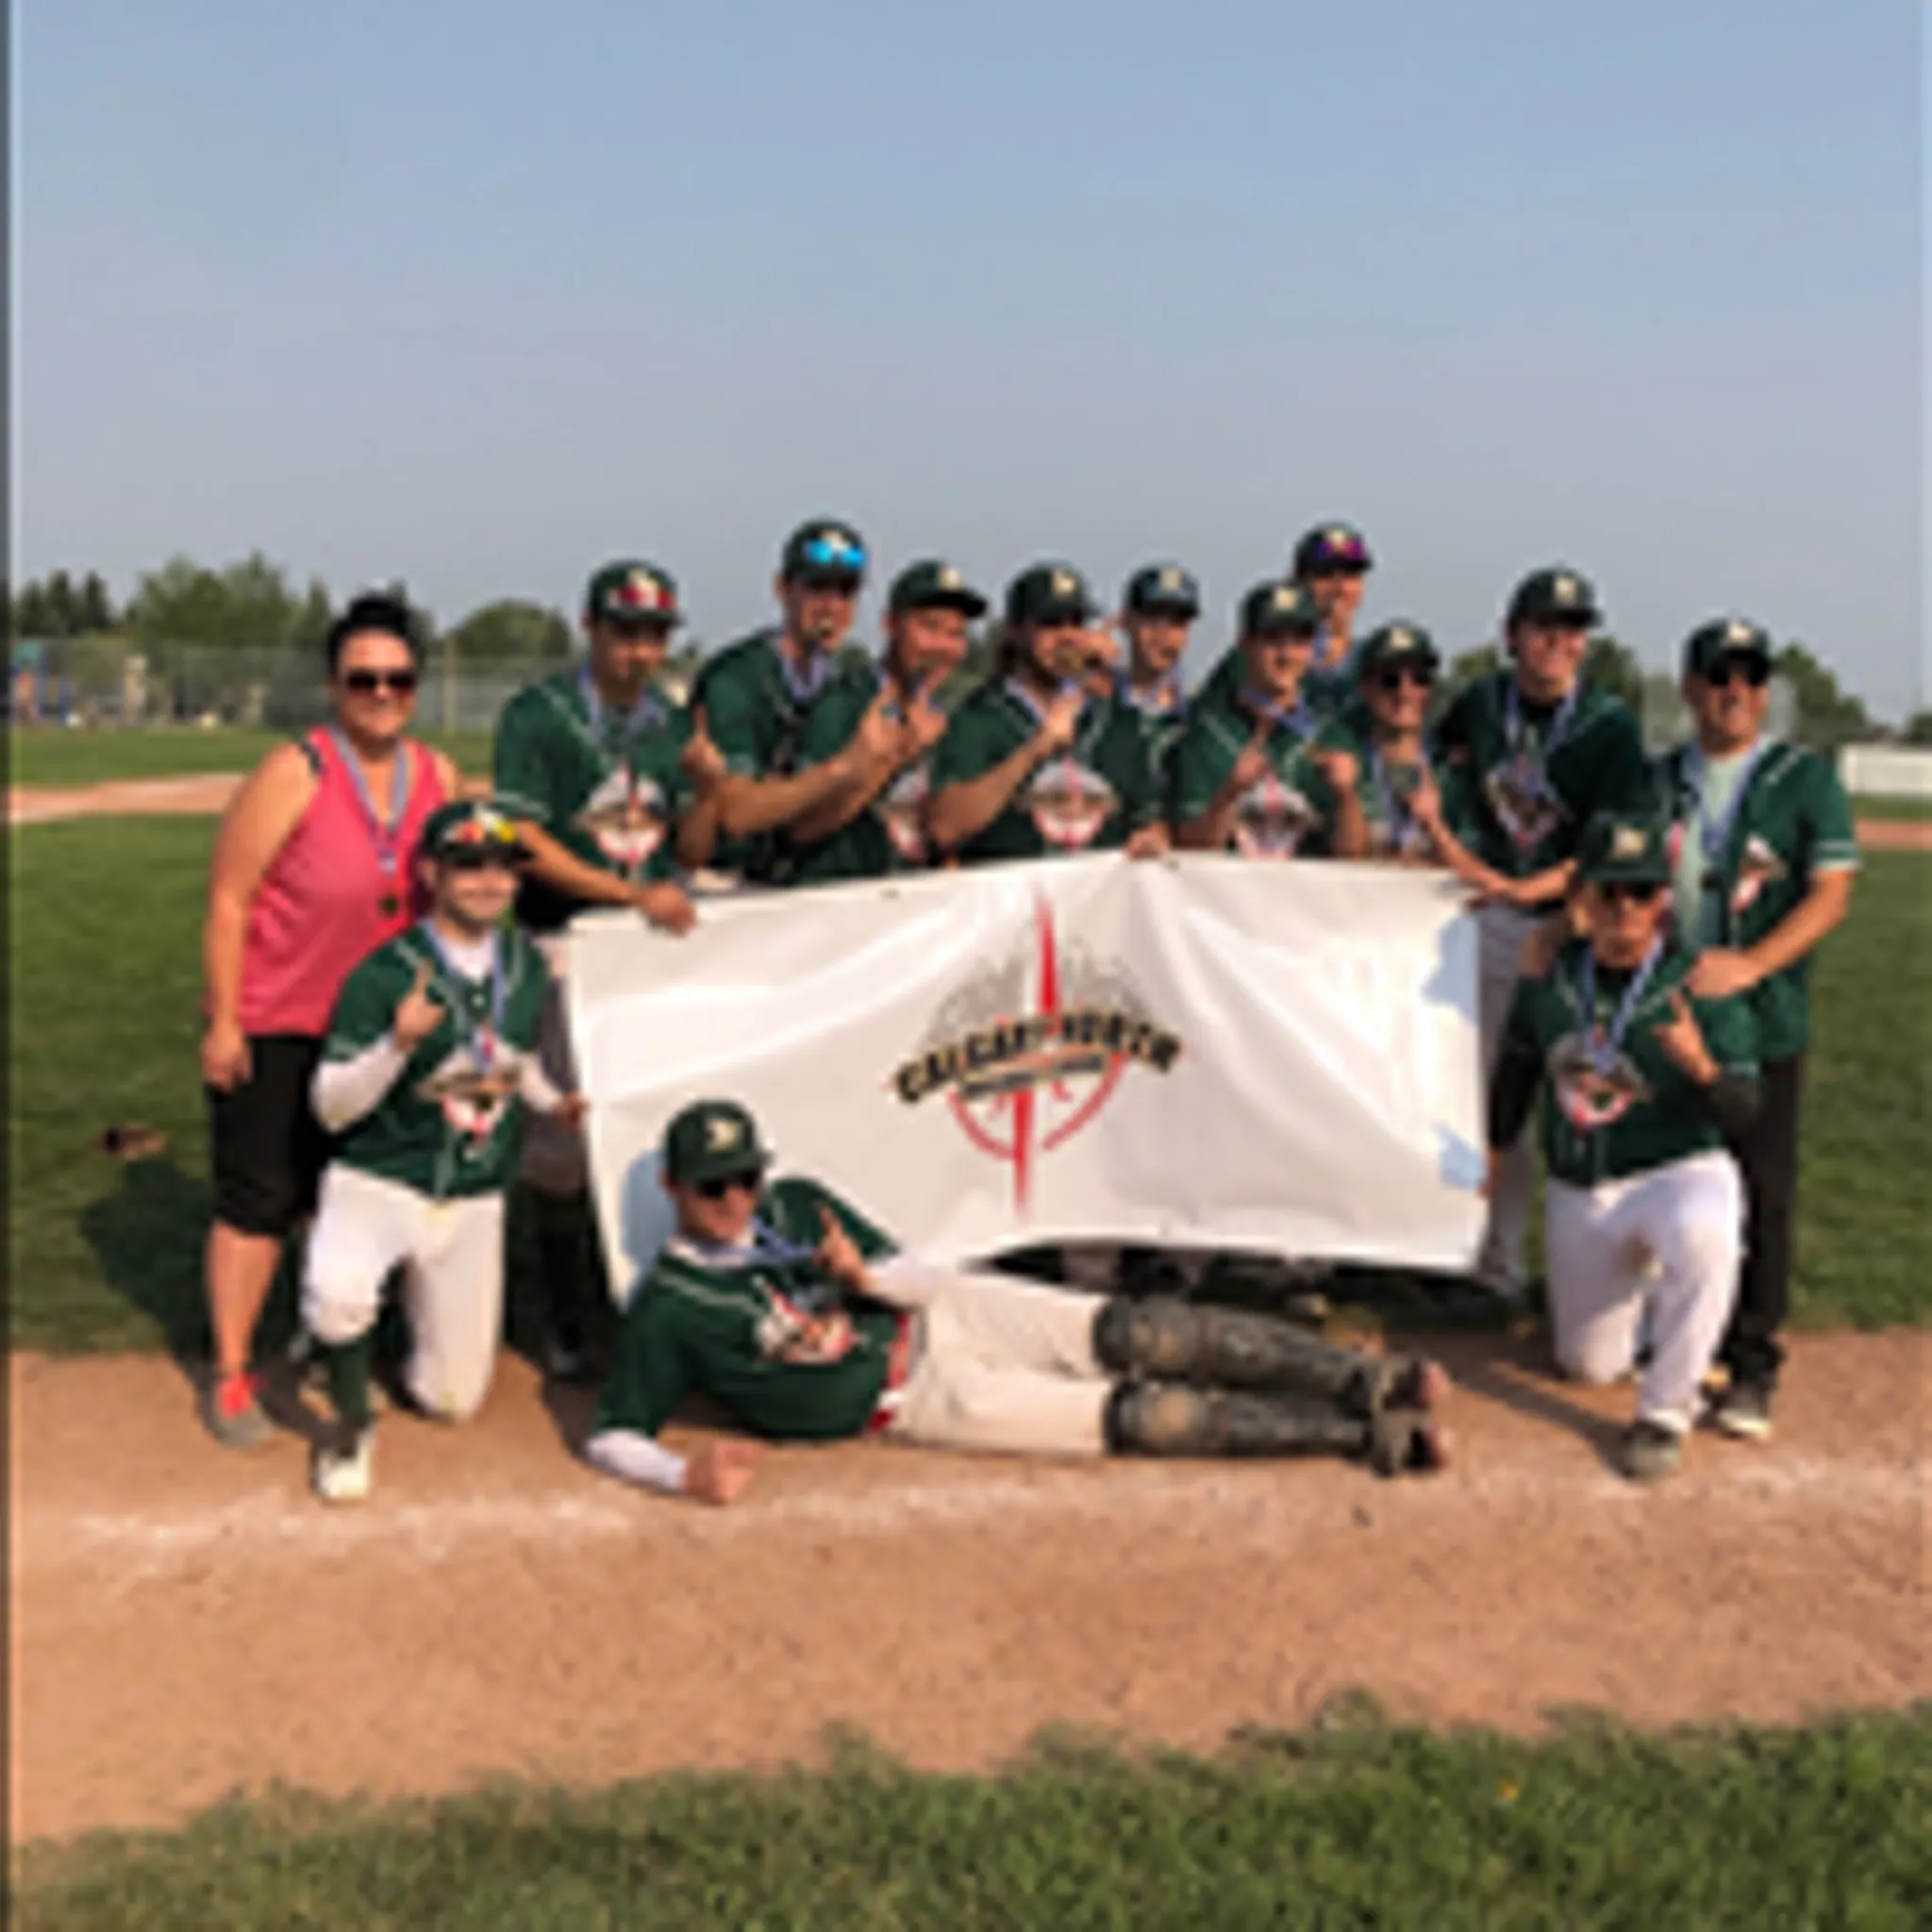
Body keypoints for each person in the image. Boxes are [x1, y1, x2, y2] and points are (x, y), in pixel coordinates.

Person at [582, 1100, 1452, 1505]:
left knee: (1137, 1328)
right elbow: (613, 1431)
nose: (734, 1199)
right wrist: (681, 1475)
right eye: (710, 1188)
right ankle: (1361, 1434)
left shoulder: (795, 1203)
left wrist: (865, 1279)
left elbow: (917, 1276)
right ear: (674, 1188)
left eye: (744, 1178)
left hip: (941, 1315)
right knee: (1136, 1418)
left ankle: (1364, 1377)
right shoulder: (673, 1306)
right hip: (914, 1401)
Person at [198, 591, 456, 1447]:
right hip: (281, 1020)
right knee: (259, 1199)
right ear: (333, 685)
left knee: (347, 1197)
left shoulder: (437, 777)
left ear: (416, 686)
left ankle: (322, 1340)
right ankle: (233, 1370)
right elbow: (230, 901)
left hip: (381, 1036)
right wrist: (225, 1022)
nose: (381, 693)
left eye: (397, 678)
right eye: (363, 679)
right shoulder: (294, 772)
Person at [303, 799, 583, 1502]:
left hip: (474, 1192)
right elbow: (330, 1106)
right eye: (467, 866)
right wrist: (396, 1045)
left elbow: (513, 1062)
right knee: (336, 1298)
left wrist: (553, 1102)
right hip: (382, 1177)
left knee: (450, 1401)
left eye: (501, 867)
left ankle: (391, 1326)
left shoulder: (525, 966)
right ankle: (349, 1419)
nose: (488, 881)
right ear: (430, 872)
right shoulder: (384, 973)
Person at [492, 559, 720, 1378]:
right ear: (589, 628)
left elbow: (690, 848)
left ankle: (651, 1297)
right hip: (566, 944)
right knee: (560, 1137)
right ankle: (562, 1309)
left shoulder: (669, 723)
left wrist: (712, 794)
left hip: (646, 955)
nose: (641, 650)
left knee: (650, 1124)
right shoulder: (540, 714)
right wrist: (627, 894)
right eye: (625, 631)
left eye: (655, 633)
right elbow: (523, 841)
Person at [1487, 810, 1759, 1481]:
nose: (1625, 910)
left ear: (1662, 900)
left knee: (1705, 1232)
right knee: (1588, 1367)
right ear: (1582, 898)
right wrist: (1495, 1149)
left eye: (1641, 892)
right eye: (1609, 891)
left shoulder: (1698, 985)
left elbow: (1747, 1114)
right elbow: (1519, 1066)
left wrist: (1702, 1066)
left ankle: (1667, 1410)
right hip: (1584, 1187)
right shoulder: (1550, 976)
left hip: (1675, 1172)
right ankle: (1651, 1317)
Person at [1655, 618, 1858, 1440]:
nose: (1734, 690)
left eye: (1749, 676)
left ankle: (1753, 1363)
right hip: (1670, 1020)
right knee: (1669, 1180)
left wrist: (1755, 963)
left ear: (1764, 690)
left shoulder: (1802, 780)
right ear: (1690, 688)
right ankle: (1673, 1337)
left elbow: (1831, 893)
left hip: (1762, 1023)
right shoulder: (1663, 776)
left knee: (1762, 1192)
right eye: (1717, 675)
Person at [1433, 566, 1651, 1302]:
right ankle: (1487, 1263)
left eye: (1573, 629)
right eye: (1544, 627)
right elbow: (1445, 772)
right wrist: (1460, 851)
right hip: (1490, 918)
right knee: (1490, 1097)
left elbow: (1621, 841)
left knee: (1581, 1101)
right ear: (1511, 634)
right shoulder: (1481, 703)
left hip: (1576, 926)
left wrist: (1547, 894)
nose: (1559, 642)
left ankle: (1609, 1276)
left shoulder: (1610, 725)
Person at [691, 518, 898, 885]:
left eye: (845, 592)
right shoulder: (736, 678)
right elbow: (736, 814)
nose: (831, 607)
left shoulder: (844, 680)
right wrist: (843, 769)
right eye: (817, 589)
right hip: (725, 884)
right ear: (782, 589)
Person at [925, 563, 1168, 863]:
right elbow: (945, 828)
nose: (1067, 636)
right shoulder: (978, 718)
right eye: (1051, 623)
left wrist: (1152, 839)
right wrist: (1034, 750)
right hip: (1011, 907)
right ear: (1015, 631)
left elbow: (1149, 822)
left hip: (1097, 905)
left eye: (1076, 622)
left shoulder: (1118, 723)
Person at [784, 558, 987, 884]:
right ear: (890, 625)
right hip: (840, 908)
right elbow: (802, 826)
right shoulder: (844, 704)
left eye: (956, 634)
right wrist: (894, 758)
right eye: (930, 628)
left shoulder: (944, 717)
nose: (943, 647)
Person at [1171, 581, 1365, 858]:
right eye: (1273, 640)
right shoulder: (1205, 735)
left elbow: (1354, 856)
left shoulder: (1332, 735)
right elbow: (1191, 850)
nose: (1286, 655)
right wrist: (1230, 793)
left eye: (1300, 641)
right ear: (1244, 643)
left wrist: (1346, 797)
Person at [1328, 622, 1513, 890]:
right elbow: (1343, 863)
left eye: (1420, 679)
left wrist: (1434, 825)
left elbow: (1479, 875)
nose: (1405, 692)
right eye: (1390, 680)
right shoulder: (1346, 763)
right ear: (1365, 689)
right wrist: (1346, 796)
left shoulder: (1454, 770)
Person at [1198, 520, 1375, 720]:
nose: (1340, 589)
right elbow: (1204, 719)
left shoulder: (1380, 663)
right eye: (1325, 575)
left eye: (1351, 576)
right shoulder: (1257, 656)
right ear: (1297, 581)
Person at [1114, 563, 1200, 799]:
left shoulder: (1199, 719)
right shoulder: (1094, 706)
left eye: (1177, 623)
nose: (1164, 635)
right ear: (1126, 621)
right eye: (1152, 620)